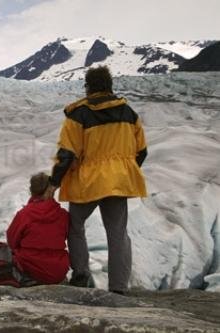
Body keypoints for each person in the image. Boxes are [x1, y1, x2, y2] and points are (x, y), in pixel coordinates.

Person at [49, 65, 147, 294]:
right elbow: (142, 151)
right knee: (118, 234)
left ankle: (81, 274)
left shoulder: (79, 114)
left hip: (88, 181)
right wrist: (123, 171)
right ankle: (119, 288)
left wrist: (54, 182)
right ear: (109, 85)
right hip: (118, 182)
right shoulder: (129, 113)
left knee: (75, 226)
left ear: (88, 87)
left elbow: (67, 153)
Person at [7, 172, 70, 285]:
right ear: (51, 189)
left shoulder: (24, 214)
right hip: (57, 271)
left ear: (31, 190)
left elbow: (12, 241)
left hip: (30, 269)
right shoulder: (63, 215)